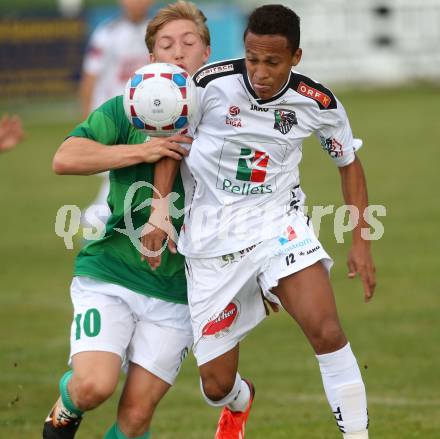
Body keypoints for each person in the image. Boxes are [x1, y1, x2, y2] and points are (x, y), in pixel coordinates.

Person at [144, 4, 376, 439]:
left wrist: (361, 240)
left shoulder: (317, 102)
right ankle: (239, 401)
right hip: (212, 242)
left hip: (279, 228)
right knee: (215, 384)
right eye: (252, 59)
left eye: (273, 62)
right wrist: (160, 211)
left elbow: (349, 162)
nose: (260, 71)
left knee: (326, 331)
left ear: (296, 57)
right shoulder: (207, 86)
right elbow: (172, 144)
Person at [42, 2, 211, 439]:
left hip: (178, 290)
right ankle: (69, 395)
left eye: (188, 43)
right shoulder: (123, 110)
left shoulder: (225, 120)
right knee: (93, 386)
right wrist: (142, 150)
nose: (178, 53)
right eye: (166, 45)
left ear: (206, 54)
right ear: (151, 59)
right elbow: (64, 158)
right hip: (112, 271)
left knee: (135, 419)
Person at [80, 0, 154, 228]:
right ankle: (99, 219)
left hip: (146, 116)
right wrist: (87, 123)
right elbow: (89, 79)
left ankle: (98, 219)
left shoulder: (158, 31)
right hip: (112, 115)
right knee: (119, 171)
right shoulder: (106, 34)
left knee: (129, 172)